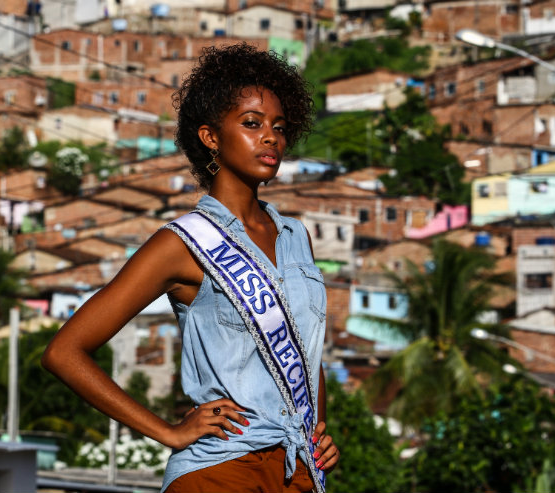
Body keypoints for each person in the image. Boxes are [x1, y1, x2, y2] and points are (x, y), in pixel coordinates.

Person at [42, 43, 339, 493]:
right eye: (252, 124)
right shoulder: (181, 243)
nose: (271, 138)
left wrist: (319, 429)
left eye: (279, 127)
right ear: (210, 137)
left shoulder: (297, 238)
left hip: (297, 473)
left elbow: (304, 347)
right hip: (218, 471)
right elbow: (65, 352)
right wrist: (167, 431)